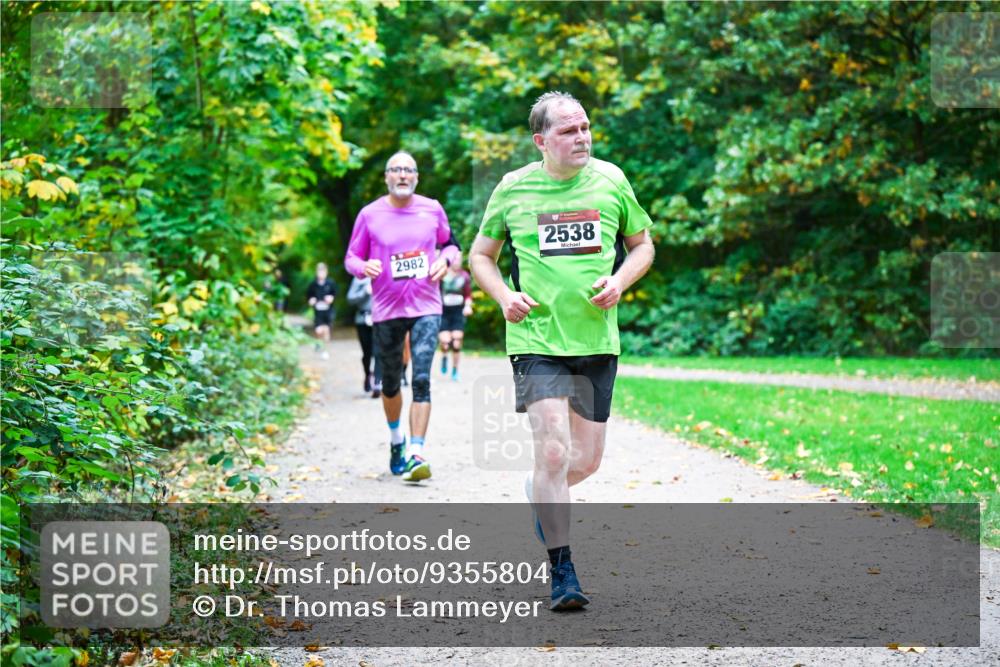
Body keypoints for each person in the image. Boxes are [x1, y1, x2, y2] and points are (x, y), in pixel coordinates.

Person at [469, 91, 654, 611]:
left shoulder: (611, 179)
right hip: (536, 339)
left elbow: (643, 246)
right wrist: (504, 296)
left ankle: (542, 490)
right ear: (541, 140)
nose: (582, 138)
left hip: (596, 338)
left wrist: (619, 281)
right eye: (569, 131)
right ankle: (562, 572)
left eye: (586, 127)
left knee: (586, 461)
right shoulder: (513, 189)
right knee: (552, 449)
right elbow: (481, 256)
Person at [345, 150, 460, 483]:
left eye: (409, 170)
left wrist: (447, 261)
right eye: (396, 170)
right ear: (387, 177)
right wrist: (362, 267)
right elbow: (352, 256)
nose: (403, 175)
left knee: (422, 379)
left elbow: (451, 245)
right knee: (391, 383)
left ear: (416, 177)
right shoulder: (369, 215)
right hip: (386, 310)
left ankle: (416, 452)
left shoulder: (432, 209)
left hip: (426, 306)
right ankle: (397, 440)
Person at [438, 257, 474, 381]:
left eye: (459, 260)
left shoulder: (464, 276)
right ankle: (444, 356)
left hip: (458, 312)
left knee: (457, 342)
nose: (457, 262)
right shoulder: (442, 274)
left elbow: (468, 294)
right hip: (444, 312)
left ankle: (455, 369)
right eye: (455, 260)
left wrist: (468, 306)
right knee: (445, 343)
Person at [347, 275, 382, 397]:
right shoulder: (359, 279)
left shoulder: (384, 273)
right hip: (363, 319)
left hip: (380, 318)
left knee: (378, 351)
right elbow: (350, 298)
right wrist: (365, 292)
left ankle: (377, 381)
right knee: (367, 353)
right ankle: (368, 374)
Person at [306, 262, 337, 359]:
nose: (321, 273)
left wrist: (331, 298)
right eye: (319, 271)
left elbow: (335, 293)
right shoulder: (313, 284)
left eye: (323, 271)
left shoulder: (330, 283)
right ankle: (319, 343)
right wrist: (311, 300)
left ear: (326, 272)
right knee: (319, 331)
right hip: (318, 310)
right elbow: (308, 296)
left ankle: (325, 350)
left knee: (326, 330)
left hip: (328, 310)